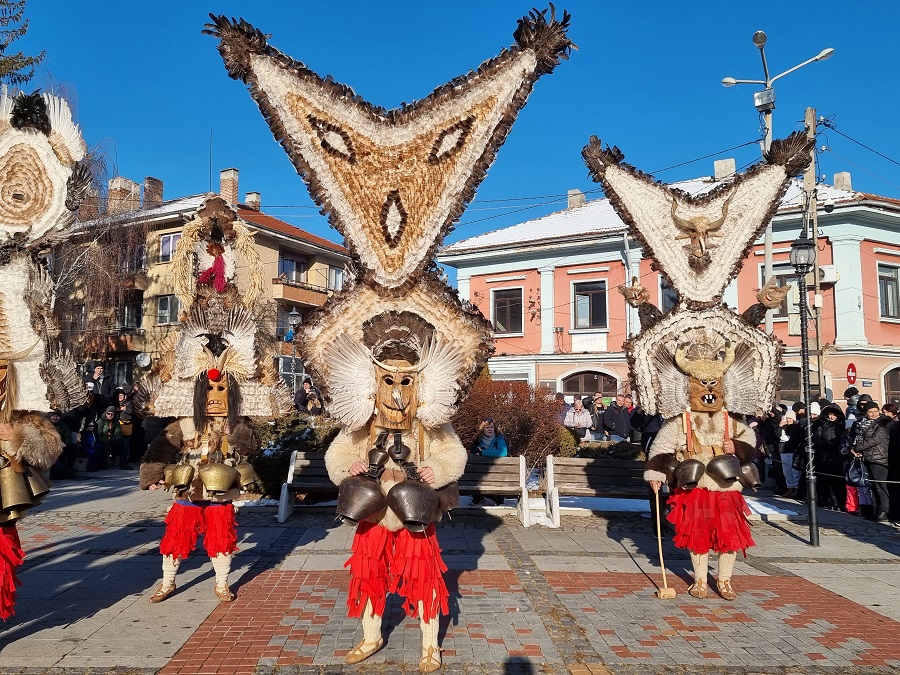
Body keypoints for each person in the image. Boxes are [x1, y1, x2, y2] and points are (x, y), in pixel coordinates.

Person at [850, 401, 891, 521]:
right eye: (870, 412)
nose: (873, 414)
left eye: (875, 411)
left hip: (879, 458)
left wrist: (857, 447)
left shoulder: (884, 423)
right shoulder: (864, 424)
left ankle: (884, 511)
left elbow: (876, 439)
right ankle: (876, 509)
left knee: (880, 486)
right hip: (868, 457)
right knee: (873, 486)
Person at [812, 404, 846, 510]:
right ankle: (829, 501)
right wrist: (825, 445)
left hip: (837, 457)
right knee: (825, 481)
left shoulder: (842, 426)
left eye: (834, 415)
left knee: (838, 482)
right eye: (830, 415)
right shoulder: (822, 426)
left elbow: (843, 439)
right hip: (824, 456)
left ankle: (841, 502)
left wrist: (836, 444)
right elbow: (817, 439)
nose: (831, 417)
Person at [470, 418, 509, 506]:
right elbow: (472, 455)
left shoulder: (499, 439)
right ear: (483, 429)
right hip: (481, 471)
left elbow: (503, 452)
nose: (490, 429)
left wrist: (483, 453)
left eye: (492, 427)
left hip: (496, 470)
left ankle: (497, 498)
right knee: (474, 474)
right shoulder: (477, 440)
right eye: (487, 427)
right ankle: (478, 498)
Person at [91, 406, 123, 471]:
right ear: (106, 413)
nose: (110, 415)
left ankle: (120, 462)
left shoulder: (116, 422)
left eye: (112, 414)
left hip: (112, 440)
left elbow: (118, 432)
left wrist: (118, 439)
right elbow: (99, 435)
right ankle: (103, 464)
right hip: (103, 440)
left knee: (122, 443)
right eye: (108, 413)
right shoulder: (100, 422)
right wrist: (108, 442)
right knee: (106, 448)